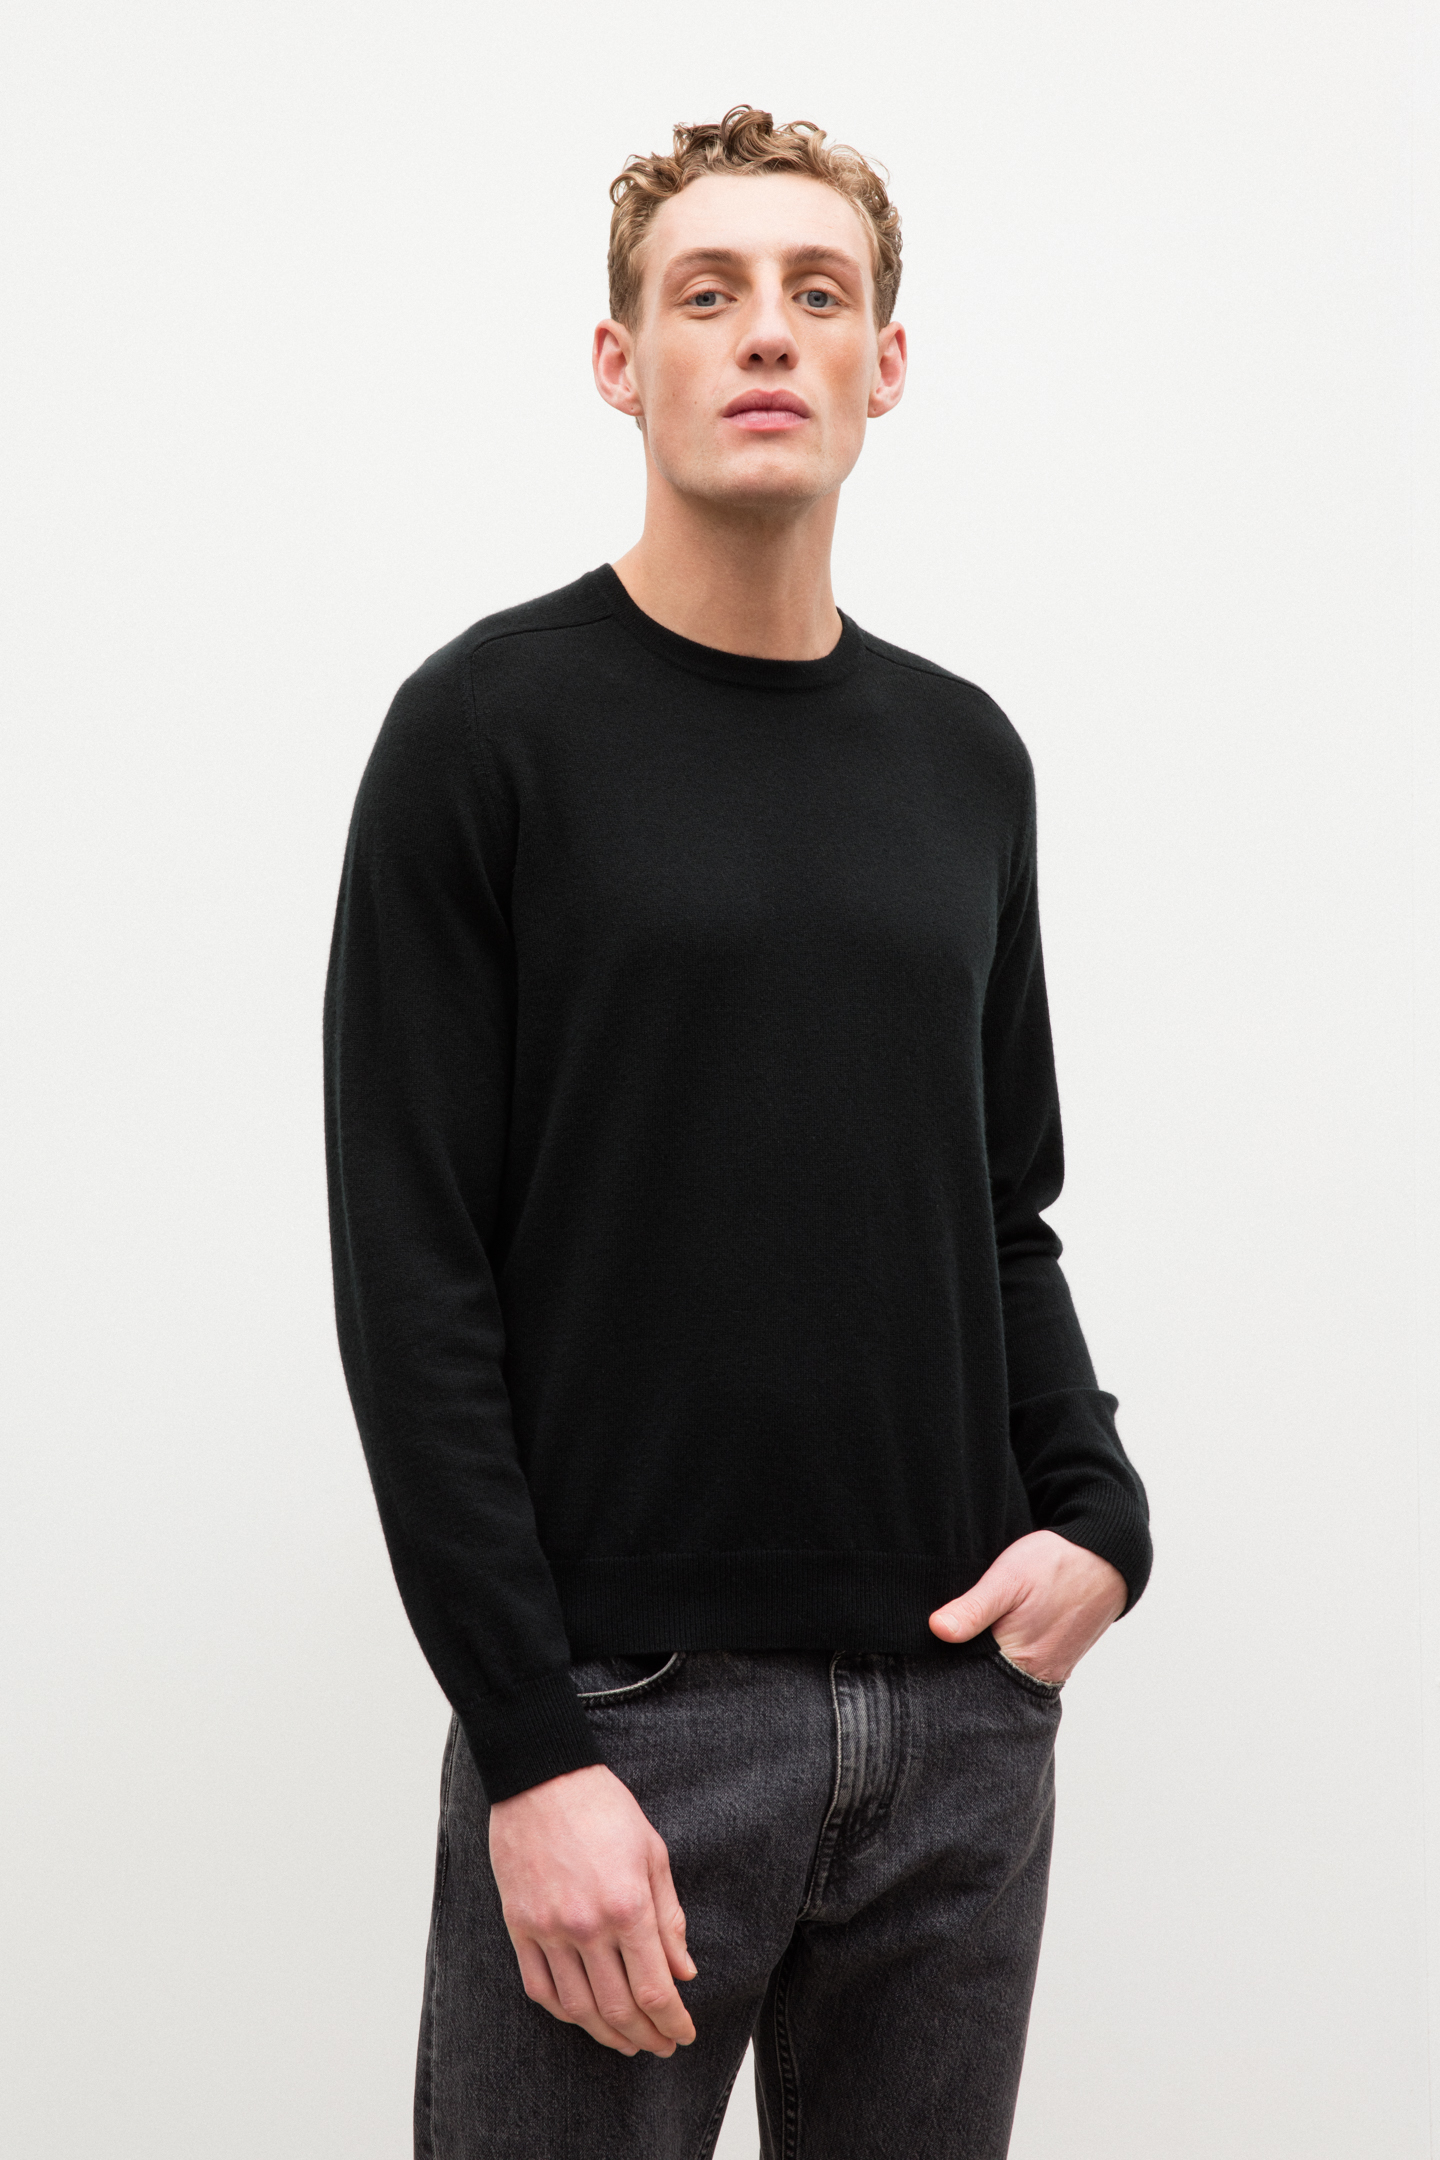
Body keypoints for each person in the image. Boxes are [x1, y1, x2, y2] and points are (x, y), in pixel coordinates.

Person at [323, 104, 1152, 2160]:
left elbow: (999, 1208)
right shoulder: (485, 733)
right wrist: (531, 1747)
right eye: (709, 293)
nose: (768, 331)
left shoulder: (963, 758)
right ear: (623, 361)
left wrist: (1100, 1512)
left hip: (955, 1728)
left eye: (817, 293)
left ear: (887, 362)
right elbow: (414, 1272)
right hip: (624, 1733)